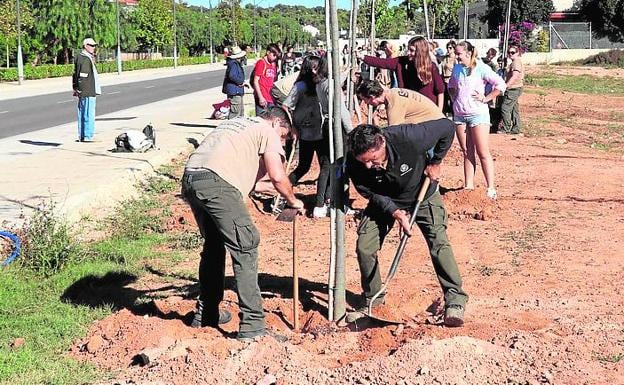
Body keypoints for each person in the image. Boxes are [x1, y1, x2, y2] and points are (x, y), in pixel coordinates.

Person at [182, 110, 304, 342]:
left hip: (193, 179)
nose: (281, 143)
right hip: (217, 183)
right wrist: (293, 200)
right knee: (246, 245)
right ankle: (253, 327)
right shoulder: (267, 131)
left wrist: (278, 190)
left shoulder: (236, 124)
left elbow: (254, 183)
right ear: (277, 123)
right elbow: (277, 176)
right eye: (283, 137)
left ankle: (206, 314)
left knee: (214, 246)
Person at [346, 123, 468, 327]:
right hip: (385, 199)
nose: (368, 165)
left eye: (372, 159)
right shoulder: (354, 159)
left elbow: (446, 127)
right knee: (365, 247)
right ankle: (373, 299)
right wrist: (394, 211)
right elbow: (366, 189)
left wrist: (436, 162)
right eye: (364, 161)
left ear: (382, 142)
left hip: (422, 193)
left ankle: (455, 299)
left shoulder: (409, 137)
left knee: (439, 243)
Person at [448, 41, 506, 199]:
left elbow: (500, 84)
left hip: (478, 115)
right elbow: (451, 86)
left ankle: (491, 188)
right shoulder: (457, 68)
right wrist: (455, 100)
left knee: (482, 151)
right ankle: (468, 186)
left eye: (459, 53)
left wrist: (486, 98)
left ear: (468, 53)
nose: (456, 56)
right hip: (460, 115)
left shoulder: (481, 68)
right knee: (467, 152)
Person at [281, 56, 329, 218]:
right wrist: (293, 127)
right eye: (316, 67)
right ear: (310, 69)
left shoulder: (321, 84)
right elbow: (286, 105)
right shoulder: (300, 86)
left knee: (325, 166)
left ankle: (322, 200)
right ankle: (285, 191)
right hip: (307, 133)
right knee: (305, 166)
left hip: (321, 131)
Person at [360, 36, 445, 110]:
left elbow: (440, 91)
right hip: (409, 108)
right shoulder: (401, 62)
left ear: (420, 51)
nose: (408, 53)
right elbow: (382, 62)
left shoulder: (431, 67)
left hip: (428, 110)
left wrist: (439, 113)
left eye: (412, 50)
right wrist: (362, 57)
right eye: (408, 49)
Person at [356, 79, 444, 126]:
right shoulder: (393, 92)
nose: (366, 103)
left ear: (372, 97)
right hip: (436, 123)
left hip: (434, 126)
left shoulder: (393, 102)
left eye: (365, 100)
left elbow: (394, 133)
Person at [72, 38, 101, 142]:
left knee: (83, 112)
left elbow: (75, 74)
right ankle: (88, 135)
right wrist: (80, 88)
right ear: (85, 46)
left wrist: (76, 88)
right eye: (91, 45)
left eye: (94, 46)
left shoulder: (82, 57)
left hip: (84, 90)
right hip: (88, 90)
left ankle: (83, 135)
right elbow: (82, 75)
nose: (93, 48)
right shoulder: (85, 58)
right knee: (88, 113)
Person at [500, 44, 524, 135]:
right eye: (509, 52)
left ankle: (506, 127)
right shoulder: (514, 62)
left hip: (513, 88)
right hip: (516, 87)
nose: (510, 54)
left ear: (518, 53)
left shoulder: (516, 62)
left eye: (513, 52)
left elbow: (515, 76)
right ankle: (516, 128)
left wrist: (505, 86)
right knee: (514, 109)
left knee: (505, 108)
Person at [252, 44, 281, 117]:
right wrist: (260, 97)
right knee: (262, 120)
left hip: (270, 97)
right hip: (262, 97)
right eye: (274, 55)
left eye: (276, 56)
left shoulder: (273, 64)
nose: (275, 58)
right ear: (268, 52)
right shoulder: (261, 63)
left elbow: (273, 80)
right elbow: (255, 81)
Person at [221, 46, 247, 119]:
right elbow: (232, 76)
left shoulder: (235, 64)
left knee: (240, 111)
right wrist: (240, 82)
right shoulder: (233, 64)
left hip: (237, 90)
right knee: (235, 112)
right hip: (234, 91)